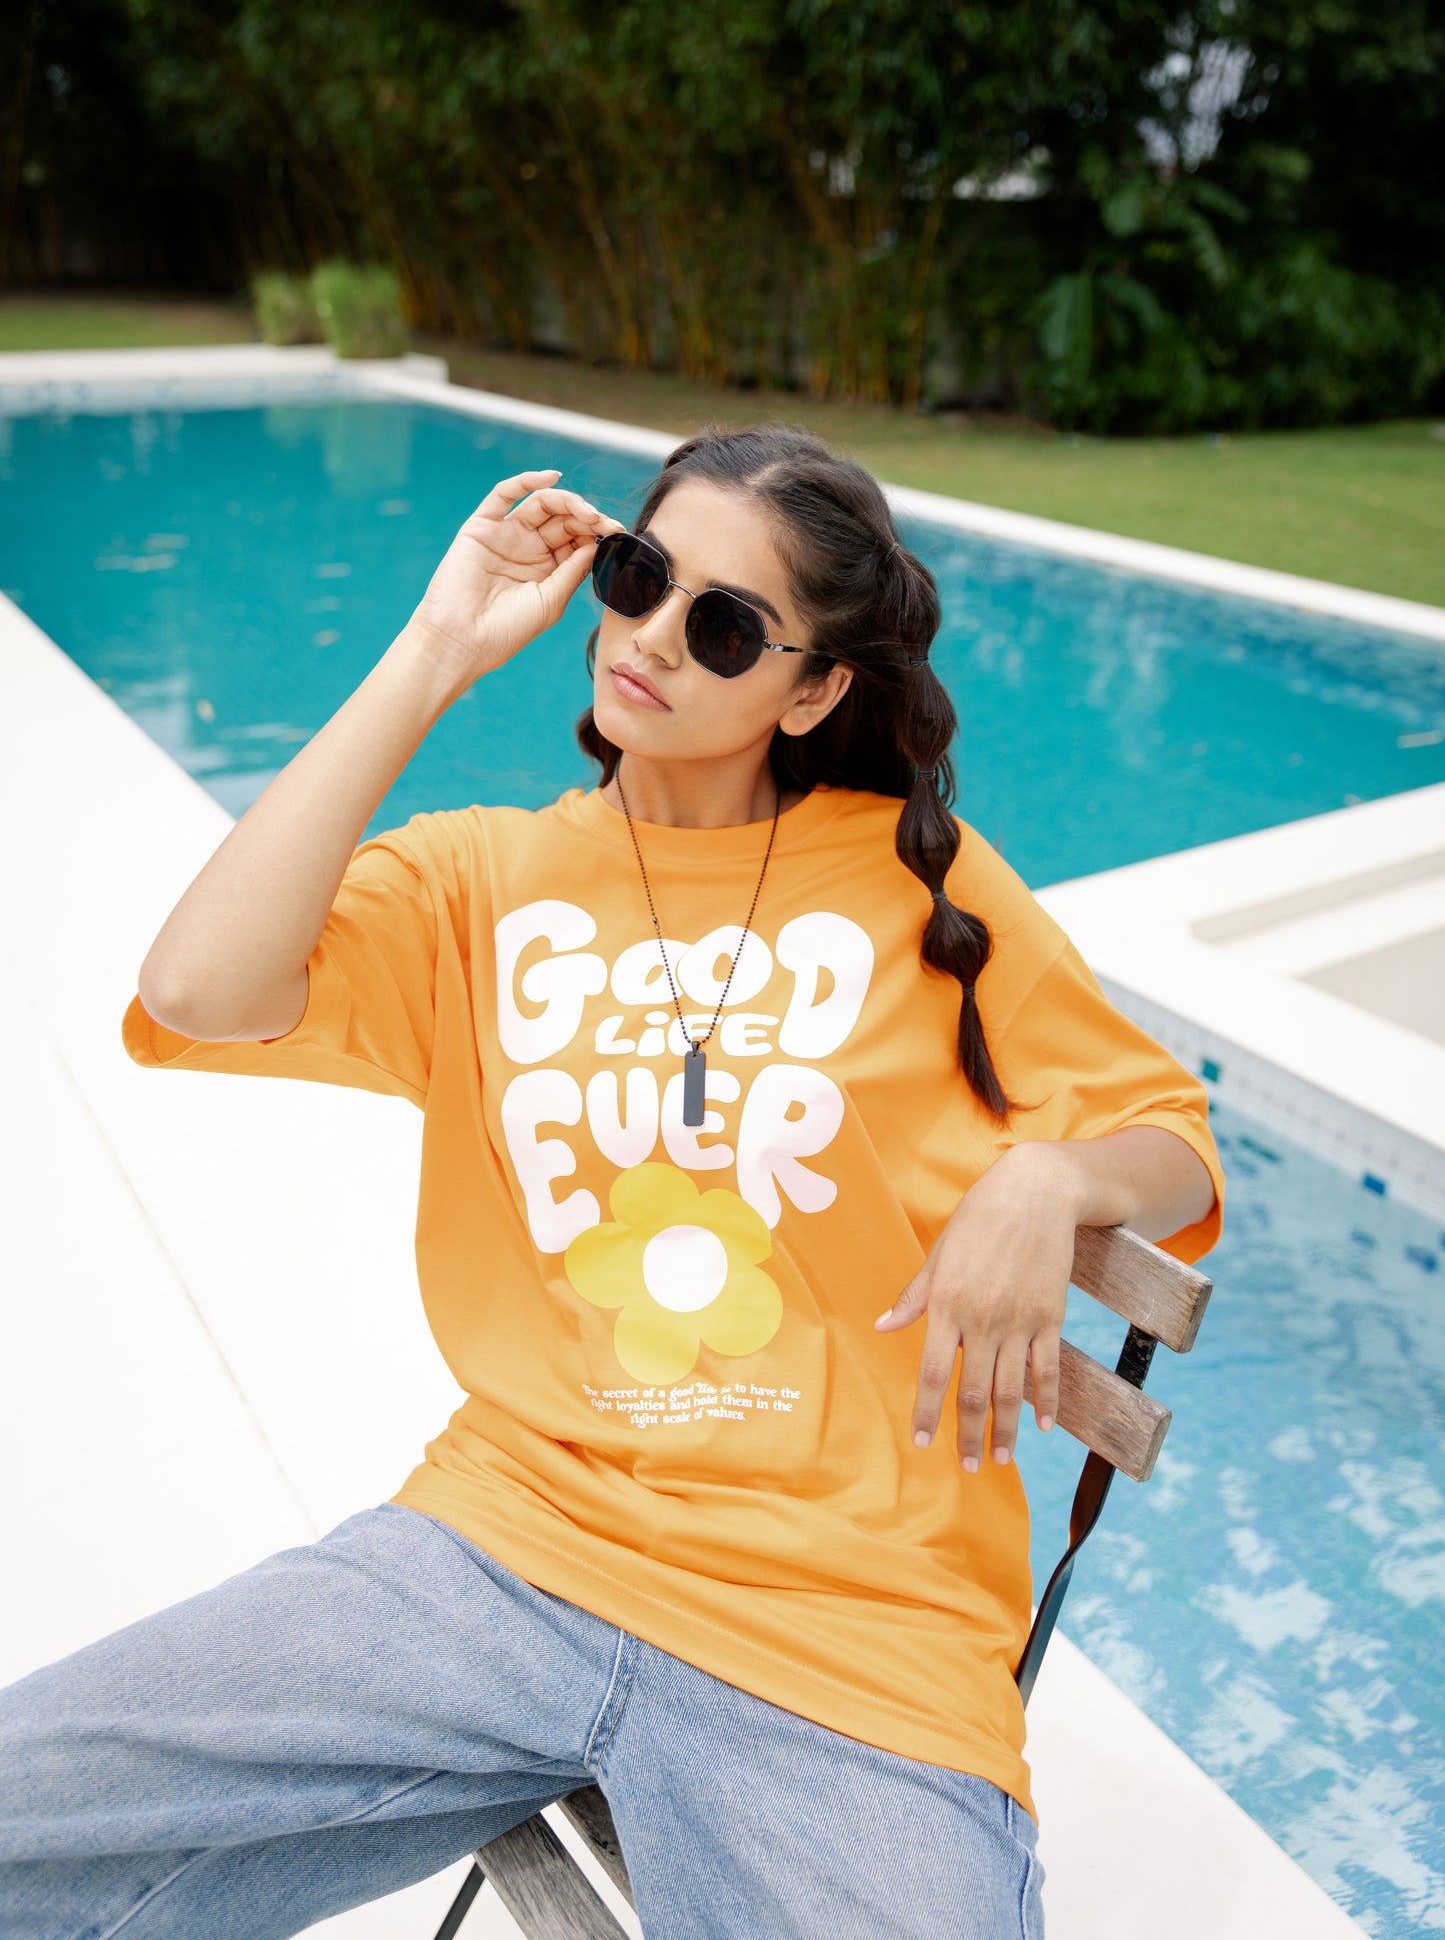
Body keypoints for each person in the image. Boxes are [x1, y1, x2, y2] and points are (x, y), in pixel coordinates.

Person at [0, 423, 1224, 1939]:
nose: (649, 637)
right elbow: (195, 989)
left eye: (721, 624)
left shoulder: (921, 884)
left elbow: (1169, 1136)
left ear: (815, 688)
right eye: (640, 577)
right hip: (503, 1550)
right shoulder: (479, 878)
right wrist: (438, 647)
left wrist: (1048, 1175)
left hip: (845, 1619)